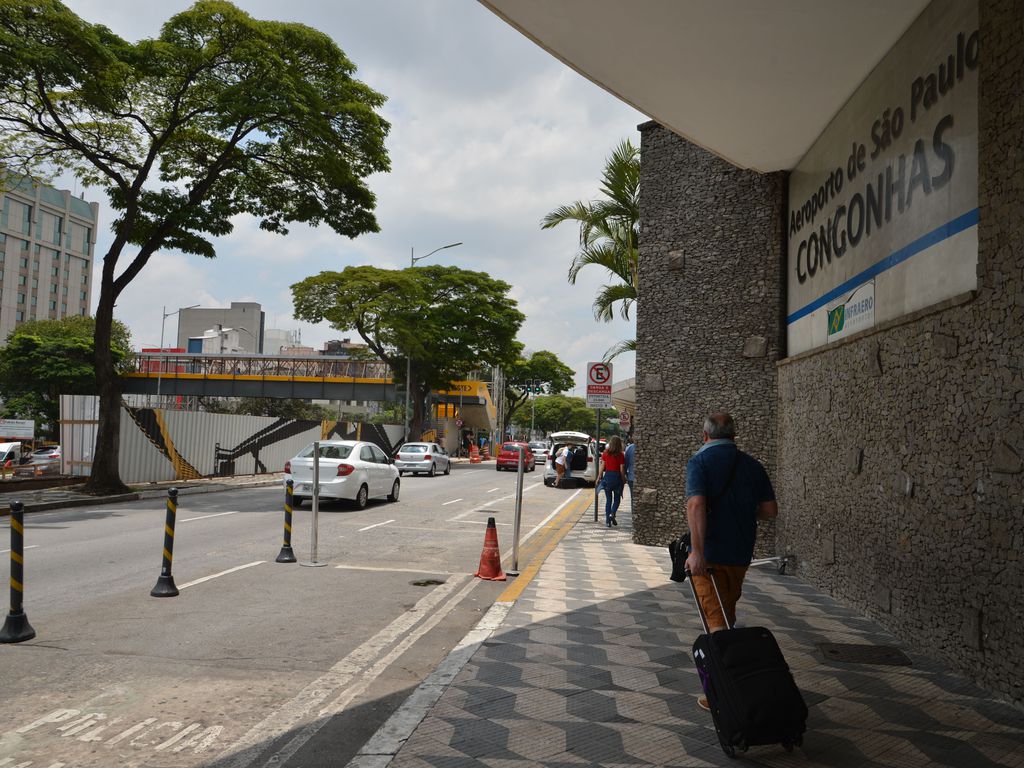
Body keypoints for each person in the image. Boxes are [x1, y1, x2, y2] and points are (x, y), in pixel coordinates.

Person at [684, 411, 778, 710]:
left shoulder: (699, 462)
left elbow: (696, 504)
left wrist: (697, 552)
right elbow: (769, 510)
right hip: (740, 553)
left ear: (705, 435)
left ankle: (723, 691)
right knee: (727, 613)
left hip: (709, 556)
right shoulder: (752, 465)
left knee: (716, 622)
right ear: (734, 436)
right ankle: (733, 681)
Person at [596, 436, 626, 526]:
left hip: (608, 477)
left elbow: (602, 466)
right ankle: (612, 514)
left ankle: (607, 521)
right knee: (617, 499)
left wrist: (599, 477)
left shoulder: (605, 453)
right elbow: (621, 469)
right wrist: (623, 479)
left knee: (608, 500)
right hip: (617, 478)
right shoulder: (621, 455)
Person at [623, 437, 636, 514]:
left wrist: (625, 475)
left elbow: (626, 464)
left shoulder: (629, 448)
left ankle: (633, 515)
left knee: (633, 498)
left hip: (631, 477)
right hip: (641, 479)